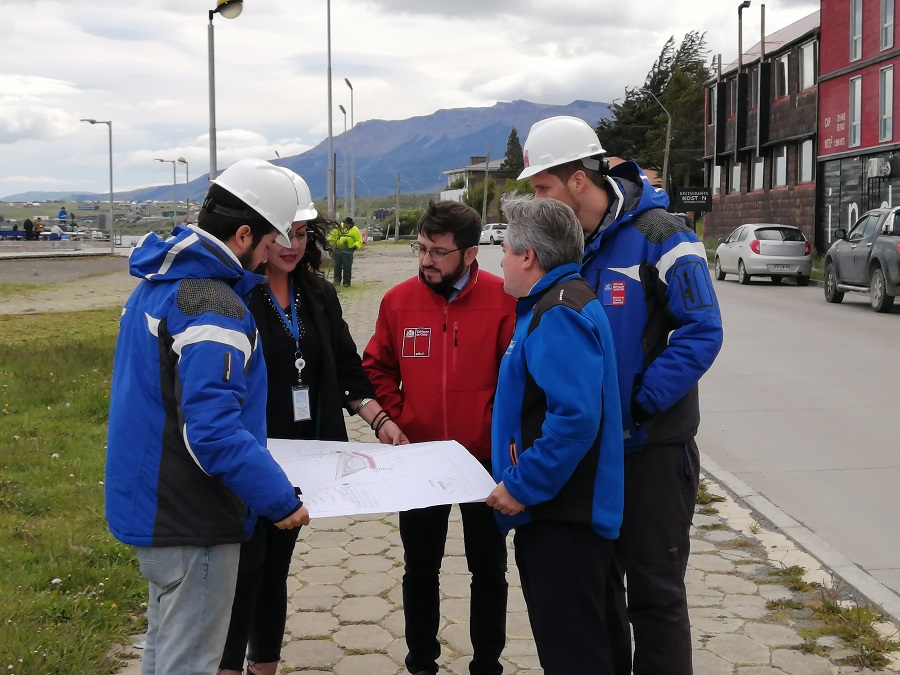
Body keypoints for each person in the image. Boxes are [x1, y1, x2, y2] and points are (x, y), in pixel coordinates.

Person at [518, 115, 724, 675]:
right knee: (597, 593)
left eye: (543, 187)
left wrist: (636, 403)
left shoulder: (662, 234)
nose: (538, 200)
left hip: (651, 451)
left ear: (578, 180)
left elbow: (702, 332)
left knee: (654, 598)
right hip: (590, 457)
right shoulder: (566, 246)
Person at [105, 158, 310, 675]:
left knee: (163, 653)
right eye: (268, 244)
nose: (268, 259)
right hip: (192, 517)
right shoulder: (213, 305)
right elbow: (213, 432)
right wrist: (279, 498)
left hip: (156, 506)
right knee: (191, 662)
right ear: (243, 235)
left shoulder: (159, 282)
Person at [219, 176, 408, 675]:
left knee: (275, 567)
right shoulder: (237, 294)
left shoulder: (319, 294)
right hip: (251, 453)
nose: (293, 245)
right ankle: (226, 665)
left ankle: (263, 666)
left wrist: (380, 419)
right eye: (283, 234)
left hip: (305, 456)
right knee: (246, 566)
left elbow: (347, 368)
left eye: (302, 234)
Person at [363, 200, 516, 675]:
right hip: (419, 458)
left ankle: (487, 664)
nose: (426, 260)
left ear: (470, 254)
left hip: (483, 461)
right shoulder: (398, 301)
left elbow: (518, 378)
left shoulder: (504, 299)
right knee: (420, 567)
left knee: (488, 568)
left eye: (438, 252)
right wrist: (393, 418)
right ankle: (421, 663)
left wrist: (497, 430)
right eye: (421, 248)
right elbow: (376, 367)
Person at [487, 196, 623, 675]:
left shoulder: (558, 311)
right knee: (595, 648)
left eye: (505, 250)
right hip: (568, 516)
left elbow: (575, 419)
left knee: (574, 655)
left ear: (528, 256)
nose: (501, 261)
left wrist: (522, 485)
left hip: (562, 519)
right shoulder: (561, 300)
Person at [327, 216, 362, 286]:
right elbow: (331, 237)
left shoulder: (355, 230)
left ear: (351, 224)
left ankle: (346, 282)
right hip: (338, 250)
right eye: (345, 223)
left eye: (347, 224)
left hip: (348, 251)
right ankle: (337, 281)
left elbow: (359, 240)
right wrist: (332, 244)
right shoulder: (338, 228)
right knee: (337, 266)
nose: (346, 225)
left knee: (347, 267)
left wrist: (355, 246)